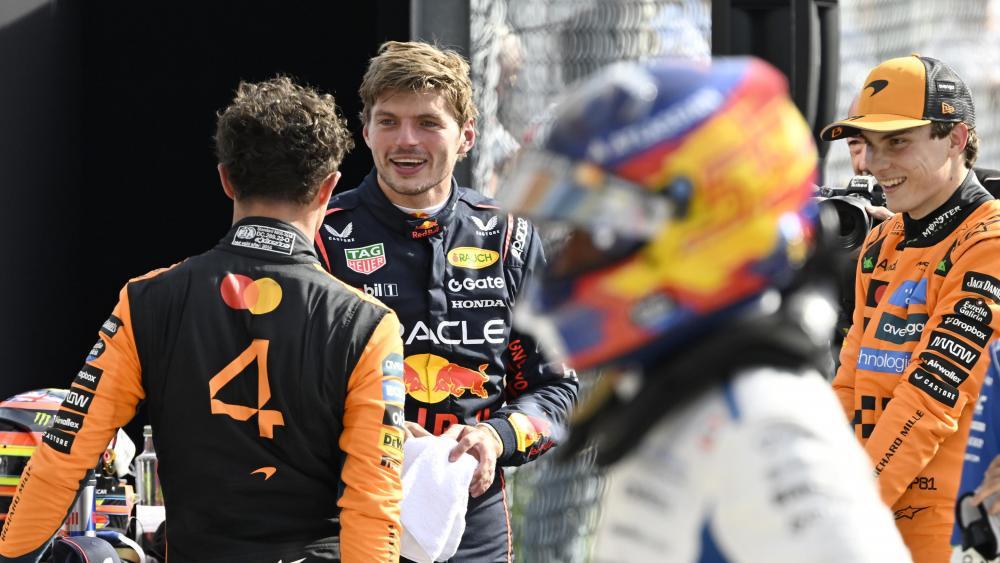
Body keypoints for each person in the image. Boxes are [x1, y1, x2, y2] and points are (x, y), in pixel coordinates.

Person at [497, 57, 912, 562]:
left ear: (698, 228)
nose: (570, 258)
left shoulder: (767, 425)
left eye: (592, 234)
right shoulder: (682, 393)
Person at [0, 77, 405, 563]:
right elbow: (373, 502)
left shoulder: (147, 299)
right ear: (328, 188)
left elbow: (65, 449)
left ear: (226, 179)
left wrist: (13, 554)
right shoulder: (368, 325)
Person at [315, 41, 578, 562]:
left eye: (428, 123)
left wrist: (495, 439)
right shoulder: (322, 236)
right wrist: (374, 432)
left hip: (472, 514)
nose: (406, 141)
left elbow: (557, 390)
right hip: (348, 509)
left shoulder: (509, 236)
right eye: (388, 121)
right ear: (365, 131)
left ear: (466, 137)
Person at [823, 54, 1000, 562]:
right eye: (869, 145)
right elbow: (849, 382)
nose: (876, 164)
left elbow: (931, 398)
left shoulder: (988, 243)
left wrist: (851, 511)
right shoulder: (882, 243)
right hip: (872, 520)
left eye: (898, 141)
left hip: (949, 535)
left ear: (957, 138)